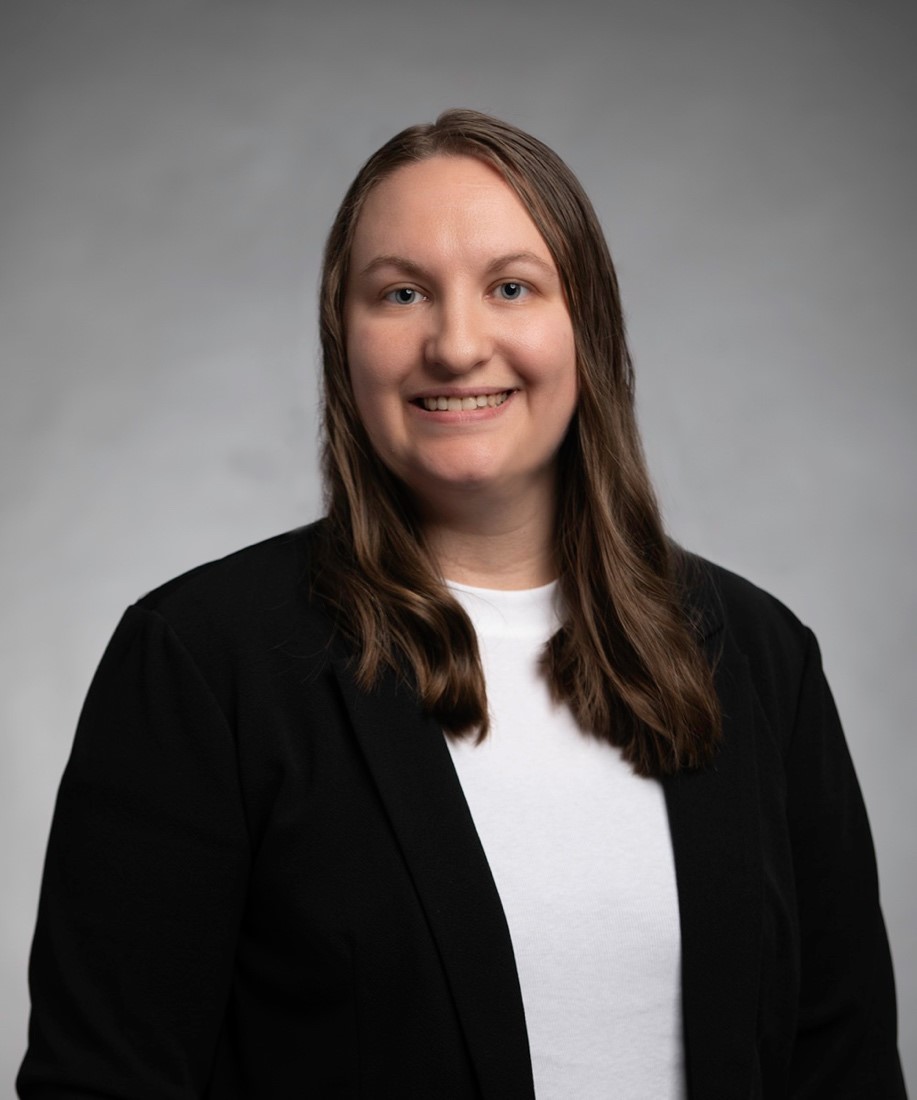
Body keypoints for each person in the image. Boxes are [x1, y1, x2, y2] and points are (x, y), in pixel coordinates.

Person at [18, 109, 906, 1099]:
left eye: (510, 286)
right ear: (342, 341)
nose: (454, 343)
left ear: (586, 325)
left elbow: (844, 1067)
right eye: (400, 292)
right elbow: (99, 1082)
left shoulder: (756, 655)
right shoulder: (201, 661)